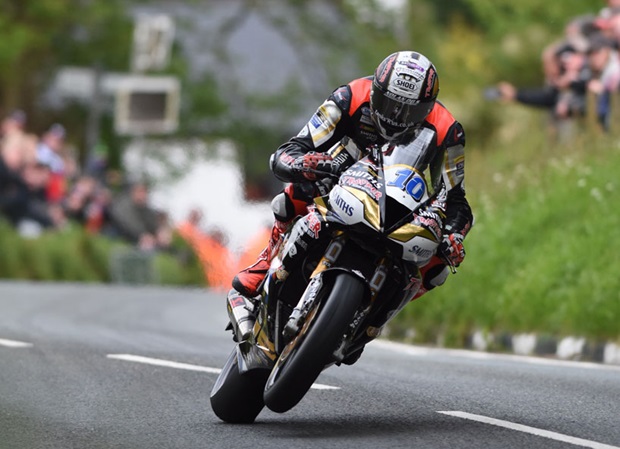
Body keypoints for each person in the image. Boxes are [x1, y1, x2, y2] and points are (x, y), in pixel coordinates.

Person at [231, 50, 473, 305]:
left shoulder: (448, 130)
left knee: (438, 268)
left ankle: (382, 313)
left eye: (407, 111)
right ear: (375, 90)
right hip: (341, 175)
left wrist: (454, 235)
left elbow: (456, 199)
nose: (394, 117)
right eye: (389, 104)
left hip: (401, 200)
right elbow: (290, 150)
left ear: (427, 107)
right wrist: (303, 163)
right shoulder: (351, 95)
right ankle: (266, 262)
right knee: (295, 193)